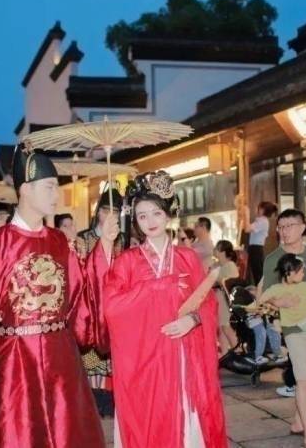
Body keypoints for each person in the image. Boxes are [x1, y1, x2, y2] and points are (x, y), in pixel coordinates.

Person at [0, 149, 108, 447]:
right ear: (25, 189)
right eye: (49, 187)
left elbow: (84, 296)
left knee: (67, 432)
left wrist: (105, 247)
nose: (56, 195)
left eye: (56, 187)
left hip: (62, 358)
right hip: (15, 362)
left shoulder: (64, 243)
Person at [99, 171, 227, 447]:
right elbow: (111, 306)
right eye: (142, 216)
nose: (150, 222)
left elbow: (207, 301)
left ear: (168, 214)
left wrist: (193, 320)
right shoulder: (127, 262)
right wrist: (155, 287)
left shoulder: (187, 257)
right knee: (150, 418)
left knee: (187, 420)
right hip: (146, 358)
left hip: (184, 353)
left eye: (156, 213)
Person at [262, 253, 306, 448]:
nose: (303, 273)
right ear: (290, 273)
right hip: (295, 334)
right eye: (300, 271)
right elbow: (259, 300)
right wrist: (276, 302)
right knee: (303, 381)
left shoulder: (303, 286)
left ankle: (300, 423)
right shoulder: (277, 288)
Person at [260, 209, 306, 399]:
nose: (284, 231)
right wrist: (278, 301)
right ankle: (305, 417)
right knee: (303, 378)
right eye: (281, 227)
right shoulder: (272, 259)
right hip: (294, 326)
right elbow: (266, 293)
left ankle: (302, 415)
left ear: (302, 228)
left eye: (289, 226)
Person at [75, 186, 124, 418]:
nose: (110, 216)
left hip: (115, 307)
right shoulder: (82, 239)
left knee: (114, 358)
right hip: (91, 305)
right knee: (91, 357)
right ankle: (92, 402)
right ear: (98, 212)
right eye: (106, 211)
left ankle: (113, 400)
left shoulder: (122, 240)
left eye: (116, 212)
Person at [212, 240, 239, 357]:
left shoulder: (230, 266)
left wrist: (215, 279)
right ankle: (224, 353)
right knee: (222, 327)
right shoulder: (217, 265)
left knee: (226, 326)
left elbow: (229, 283)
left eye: (216, 248)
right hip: (218, 298)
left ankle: (238, 351)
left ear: (222, 251)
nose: (214, 250)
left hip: (226, 300)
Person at [244, 202, 278, 285]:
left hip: (256, 249)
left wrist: (246, 214)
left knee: (258, 273)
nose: (256, 209)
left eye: (258, 208)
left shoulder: (263, 221)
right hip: (255, 249)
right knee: (257, 272)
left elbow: (247, 229)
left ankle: (261, 291)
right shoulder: (261, 220)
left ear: (262, 210)